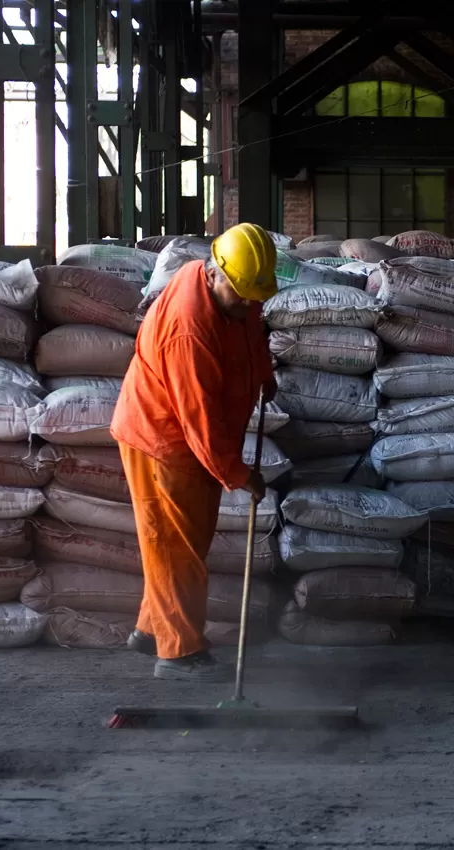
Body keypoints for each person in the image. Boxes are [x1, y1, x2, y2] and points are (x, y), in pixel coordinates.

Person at [110, 223, 278, 681]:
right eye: (242, 295)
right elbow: (198, 418)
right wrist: (239, 474)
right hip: (163, 439)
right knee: (174, 548)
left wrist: (262, 373)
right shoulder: (189, 330)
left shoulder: (234, 291)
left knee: (185, 541)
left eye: (254, 298)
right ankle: (179, 652)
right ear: (217, 274)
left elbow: (250, 328)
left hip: (193, 440)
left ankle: (151, 629)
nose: (249, 305)